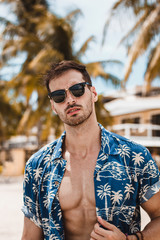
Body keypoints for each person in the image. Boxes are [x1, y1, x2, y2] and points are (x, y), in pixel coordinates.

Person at [21, 60, 160, 240]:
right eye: (59, 96)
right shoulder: (38, 166)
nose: (70, 100)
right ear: (53, 106)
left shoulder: (134, 157)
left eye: (77, 90)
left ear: (93, 93)